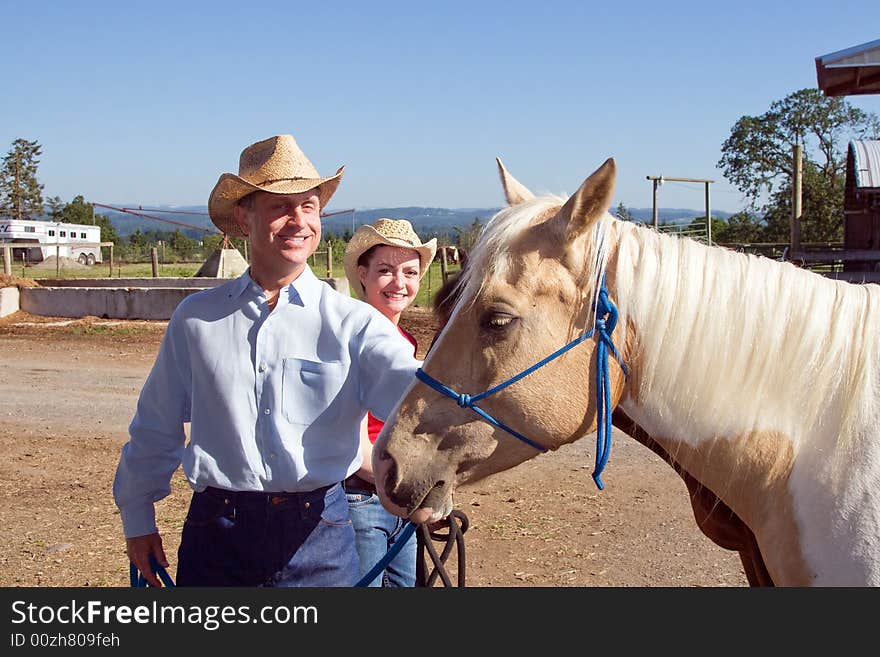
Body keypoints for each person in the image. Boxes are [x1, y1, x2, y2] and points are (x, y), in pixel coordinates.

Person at [113, 134, 421, 587]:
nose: (299, 221)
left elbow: (414, 391)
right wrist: (138, 519)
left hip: (321, 534)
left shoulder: (355, 324)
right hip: (216, 536)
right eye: (281, 206)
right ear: (244, 216)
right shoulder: (197, 319)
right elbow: (155, 428)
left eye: (309, 206)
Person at [342, 219, 437, 587]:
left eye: (409, 271)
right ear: (363, 274)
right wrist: (405, 490)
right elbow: (353, 437)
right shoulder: (352, 338)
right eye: (385, 270)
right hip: (363, 496)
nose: (399, 283)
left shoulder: (404, 341)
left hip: (395, 495)